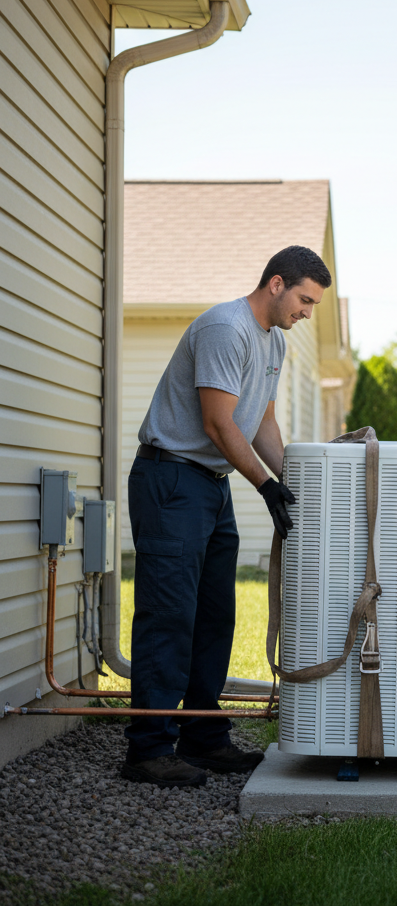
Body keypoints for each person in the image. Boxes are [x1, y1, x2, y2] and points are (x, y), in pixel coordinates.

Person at [122, 245, 332, 789]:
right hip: (172, 480)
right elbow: (218, 424)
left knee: (215, 615)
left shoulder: (274, 343)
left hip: (210, 488)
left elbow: (258, 417)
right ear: (277, 283)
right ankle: (147, 748)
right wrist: (265, 486)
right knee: (169, 615)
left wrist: (292, 481)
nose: (307, 313)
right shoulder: (226, 327)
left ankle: (203, 735)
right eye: (305, 300)